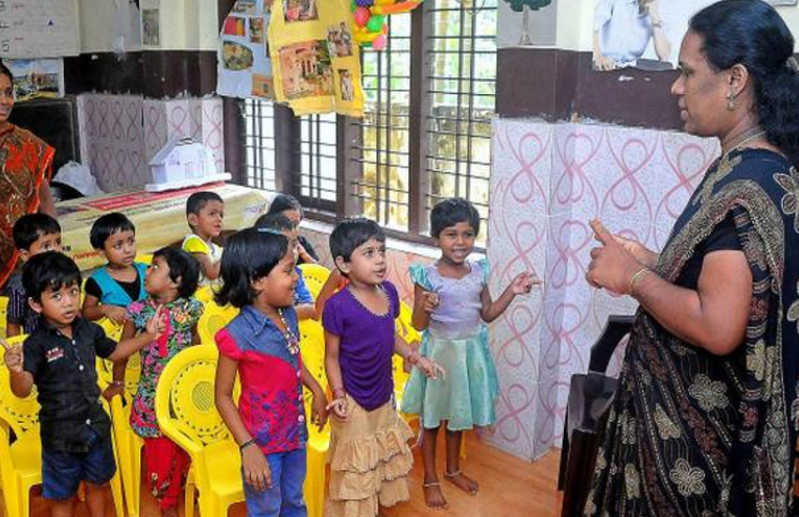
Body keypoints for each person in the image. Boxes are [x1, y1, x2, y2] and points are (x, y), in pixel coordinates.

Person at [583, 1, 799, 515]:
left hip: (694, 455)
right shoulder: (760, 168)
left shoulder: (746, 184)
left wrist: (633, 277)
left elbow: (718, 325)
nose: (675, 87)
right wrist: (654, 260)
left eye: (687, 72)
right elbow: (728, 282)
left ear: (735, 80)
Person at [2, 251, 163, 517]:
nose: (68, 302)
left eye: (73, 292)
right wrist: (16, 372)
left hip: (95, 428)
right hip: (59, 438)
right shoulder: (35, 344)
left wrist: (148, 336)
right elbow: (22, 390)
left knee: (97, 485)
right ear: (36, 304)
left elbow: (115, 352)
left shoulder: (89, 330)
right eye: (56, 296)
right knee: (62, 497)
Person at [400, 198, 537, 509]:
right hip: (439, 356)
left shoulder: (479, 272)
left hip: (469, 356)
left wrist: (512, 291)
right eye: (451, 234)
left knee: (459, 415)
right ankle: (430, 477)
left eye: (468, 234)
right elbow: (418, 324)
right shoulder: (426, 276)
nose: (460, 242)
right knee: (432, 419)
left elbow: (487, 313)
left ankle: (453, 470)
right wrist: (425, 306)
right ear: (436, 239)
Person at [322, 217, 444, 517]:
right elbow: (331, 357)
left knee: (379, 452)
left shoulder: (388, 292)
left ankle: (374, 507)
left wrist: (417, 359)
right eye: (369, 253)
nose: (379, 260)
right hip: (352, 399)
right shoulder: (338, 306)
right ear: (344, 264)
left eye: (381, 251)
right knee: (357, 462)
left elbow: (391, 337)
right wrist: (338, 393)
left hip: (383, 393)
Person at [214, 228, 327, 517]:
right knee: (266, 510)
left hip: (295, 434)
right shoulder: (236, 335)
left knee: (294, 502)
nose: (296, 277)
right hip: (262, 445)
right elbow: (222, 397)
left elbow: (293, 360)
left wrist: (316, 389)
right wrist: (248, 446)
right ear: (257, 281)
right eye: (288, 270)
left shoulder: (288, 315)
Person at [111, 247, 203, 517]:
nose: (147, 272)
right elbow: (122, 351)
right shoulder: (138, 311)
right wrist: (118, 384)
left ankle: (186, 490)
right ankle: (167, 504)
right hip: (151, 397)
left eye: (154, 267)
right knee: (161, 453)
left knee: (186, 448)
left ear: (176, 280)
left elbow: (195, 343)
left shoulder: (191, 309)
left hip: (182, 395)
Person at [0, 61, 57, 288]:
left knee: (19, 305)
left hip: (19, 262)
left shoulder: (27, 144)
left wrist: (52, 250)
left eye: (8, 93)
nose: (5, 101)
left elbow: (45, 202)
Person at [82, 213, 148, 324]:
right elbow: (86, 313)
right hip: (117, 332)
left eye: (131, 241)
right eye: (118, 246)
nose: (128, 250)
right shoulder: (97, 281)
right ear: (101, 252)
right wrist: (104, 309)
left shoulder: (146, 270)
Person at [5, 213, 62, 336]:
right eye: (46, 246)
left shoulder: (64, 272)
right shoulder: (20, 286)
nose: (56, 250)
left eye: (58, 242)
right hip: (36, 341)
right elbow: (13, 324)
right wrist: (15, 346)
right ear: (25, 255)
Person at [254, 212, 317, 320]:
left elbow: (310, 306)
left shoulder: (296, 273)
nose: (292, 252)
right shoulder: (257, 277)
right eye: (283, 246)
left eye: (294, 245)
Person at [592, 0, 671, 71]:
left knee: (667, 68)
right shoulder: (615, 2)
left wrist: (655, 18)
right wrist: (598, 56)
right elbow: (593, 26)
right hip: (604, 64)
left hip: (629, 67)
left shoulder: (657, 9)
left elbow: (664, 56)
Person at [182, 191, 224, 288]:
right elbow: (212, 274)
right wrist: (228, 254)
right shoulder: (193, 242)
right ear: (193, 220)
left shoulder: (216, 248)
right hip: (199, 295)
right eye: (212, 214)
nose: (219, 219)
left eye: (221, 215)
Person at [266, 193, 319, 263]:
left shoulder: (302, 243)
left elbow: (317, 268)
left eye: (296, 224)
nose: (293, 230)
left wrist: (304, 255)